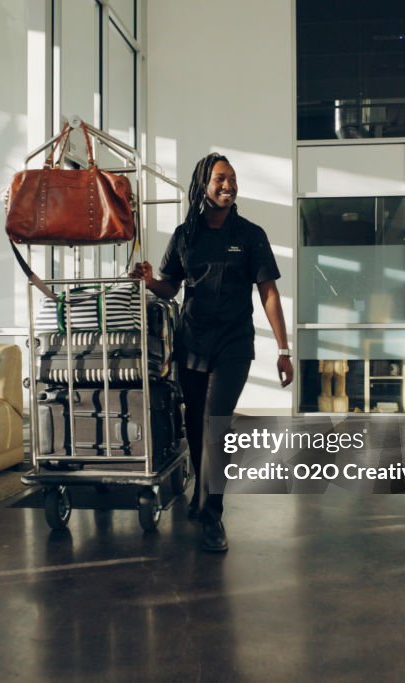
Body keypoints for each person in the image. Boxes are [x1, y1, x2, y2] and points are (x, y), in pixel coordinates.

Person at [130, 153, 293, 552]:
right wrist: (150, 281)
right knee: (196, 425)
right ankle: (202, 497)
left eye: (232, 179)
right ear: (203, 184)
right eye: (220, 179)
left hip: (234, 344)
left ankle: (212, 514)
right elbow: (171, 287)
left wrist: (283, 348)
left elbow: (268, 292)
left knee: (217, 423)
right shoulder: (185, 236)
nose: (228, 185)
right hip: (192, 342)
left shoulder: (251, 234)